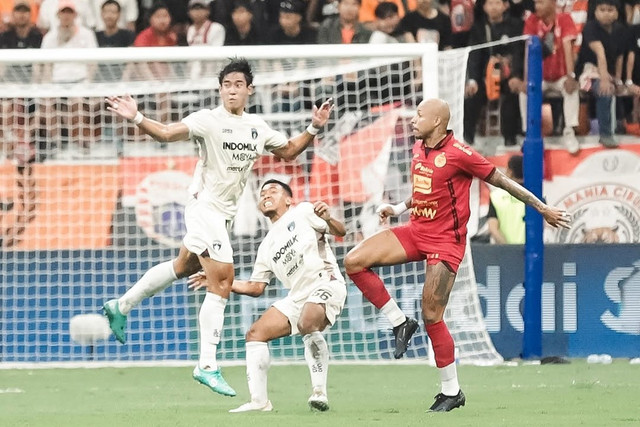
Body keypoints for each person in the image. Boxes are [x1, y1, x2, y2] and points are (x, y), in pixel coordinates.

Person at [102, 58, 334, 397]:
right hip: (202, 207)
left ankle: (121, 306)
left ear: (249, 90)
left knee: (183, 266)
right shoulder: (208, 121)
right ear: (220, 89)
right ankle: (207, 364)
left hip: (221, 214)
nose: (232, 90)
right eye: (226, 85)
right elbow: (167, 134)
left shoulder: (257, 126)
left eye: (238, 85)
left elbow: (288, 152)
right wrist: (136, 117)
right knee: (223, 277)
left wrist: (314, 127)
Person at [343, 98, 571, 412]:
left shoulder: (460, 155)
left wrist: (542, 208)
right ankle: (398, 322)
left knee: (432, 315)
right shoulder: (419, 148)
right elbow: (424, 190)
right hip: (416, 230)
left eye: (419, 115)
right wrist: (397, 208)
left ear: (437, 121)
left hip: (445, 242)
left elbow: (504, 183)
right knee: (353, 261)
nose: (413, 120)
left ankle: (451, 391)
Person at [188, 179, 347, 412]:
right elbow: (255, 287)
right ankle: (260, 402)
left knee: (307, 321)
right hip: (297, 296)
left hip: (326, 282)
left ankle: (319, 392)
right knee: (255, 334)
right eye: (262, 193)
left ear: (288, 199)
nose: (266, 195)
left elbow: (341, 231)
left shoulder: (302, 211)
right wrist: (218, 281)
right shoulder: (266, 246)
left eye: (273, 191)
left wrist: (329, 218)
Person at [520, 0, 581, 154]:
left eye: (540, 2)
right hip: (540, 78)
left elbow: (569, 49)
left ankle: (569, 133)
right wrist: (527, 80)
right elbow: (528, 52)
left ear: (552, 2)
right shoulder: (532, 21)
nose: (536, 6)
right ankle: (529, 133)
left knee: (572, 89)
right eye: (535, 3)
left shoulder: (564, 19)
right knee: (524, 92)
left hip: (560, 76)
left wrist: (570, 76)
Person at [463, 0, 524, 146]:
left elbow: (519, 53)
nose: (494, 7)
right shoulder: (478, 28)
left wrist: (515, 75)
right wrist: (473, 81)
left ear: (505, 5)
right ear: (484, 7)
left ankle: (510, 139)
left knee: (513, 95)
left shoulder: (516, 25)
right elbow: (474, 56)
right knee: (471, 97)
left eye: (497, 2)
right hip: (486, 78)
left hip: (508, 77)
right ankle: (467, 139)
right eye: (489, 3)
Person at [575, 0, 626, 148]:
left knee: (614, 88)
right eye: (602, 10)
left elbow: (620, 57)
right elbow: (600, 54)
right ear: (595, 12)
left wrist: (618, 80)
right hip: (588, 71)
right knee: (604, 91)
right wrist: (604, 80)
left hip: (608, 72)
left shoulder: (620, 30)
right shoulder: (590, 27)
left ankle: (620, 126)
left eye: (610, 10)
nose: (605, 14)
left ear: (616, 13)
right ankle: (605, 135)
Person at [487, 154, 525, 244]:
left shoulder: (496, 196)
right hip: (530, 254)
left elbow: (493, 228)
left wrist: (507, 248)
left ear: (510, 171)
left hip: (504, 254)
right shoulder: (537, 197)